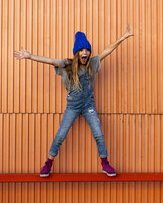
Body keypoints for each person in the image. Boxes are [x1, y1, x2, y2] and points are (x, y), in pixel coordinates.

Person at [14, 24, 133, 177]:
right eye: (82, 50)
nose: (85, 53)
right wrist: (30, 56)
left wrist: (122, 38)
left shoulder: (93, 64)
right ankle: (48, 163)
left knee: (98, 133)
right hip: (73, 106)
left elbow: (107, 50)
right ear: (77, 53)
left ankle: (105, 163)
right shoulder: (67, 65)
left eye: (87, 50)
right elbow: (50, 61)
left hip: (88, 105)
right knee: (61, 135)